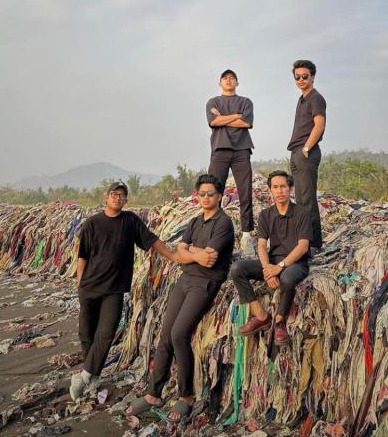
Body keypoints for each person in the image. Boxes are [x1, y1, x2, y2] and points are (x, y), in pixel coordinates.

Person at [127, 174, 235, 421]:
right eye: (202, 193)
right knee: (165, 335)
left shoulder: (224, 223)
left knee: (179, 334)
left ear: (219, 196)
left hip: (206, 282)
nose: (206, 197)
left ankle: (186, 395)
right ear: (197, 195)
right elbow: (178, 253)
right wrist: (194, 254)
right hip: (185, 280)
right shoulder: (195, 221)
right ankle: (154, 392)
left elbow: (211, 259)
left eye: (211, 193)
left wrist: (190, 252)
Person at [70, 181, 178, 401]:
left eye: (122, 195)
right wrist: (80, 281)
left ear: (126, 200)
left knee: (107, 332)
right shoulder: (92, 223)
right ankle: (94, 377)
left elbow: (151, 240)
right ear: (106, 197)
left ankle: (82, 377)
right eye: (114, 194)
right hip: (90, 287)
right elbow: (83, 255)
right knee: (86, 334)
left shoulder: (130, 221)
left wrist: (173, 256)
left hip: (114, 290)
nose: (118, 198)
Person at [230, 170, 318, 345]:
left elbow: (303, 246)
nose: (279, 191)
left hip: (296, 263)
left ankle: (280, 321)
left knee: (286, 278)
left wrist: (279, 267)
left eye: (283, 187)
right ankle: (261, 316)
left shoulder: (302, 213)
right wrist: (267, 270)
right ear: (270, 190)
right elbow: (262, 245)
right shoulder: (266, 214)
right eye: (275, 187)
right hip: (271, 261)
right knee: (237, 269)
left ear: (290, 189)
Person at [206, 69, 255, 253]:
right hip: (220, 149)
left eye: (232, 78)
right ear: (220, 83)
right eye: (225, 78)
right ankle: (212, 233)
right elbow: (214, 122)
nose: (228, 80)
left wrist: (224, 117)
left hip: (242, 150)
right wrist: (237, 115)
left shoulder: (245, 101)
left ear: (237, 82)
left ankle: (247, 235)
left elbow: (246, 123)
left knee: (245, 191)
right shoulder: (213, 101)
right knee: (213, 191)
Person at [287, 60, 326, 246]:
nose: (301, 80)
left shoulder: (315, 98)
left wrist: (306, 148)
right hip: (296, 151)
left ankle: (313, 244)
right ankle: (304, 242)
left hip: (306, 152)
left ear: (313, 77)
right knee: (300, 200)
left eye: (305, 76)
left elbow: (319, 125)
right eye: (297, 77)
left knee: (308, 200)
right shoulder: (302, 99)